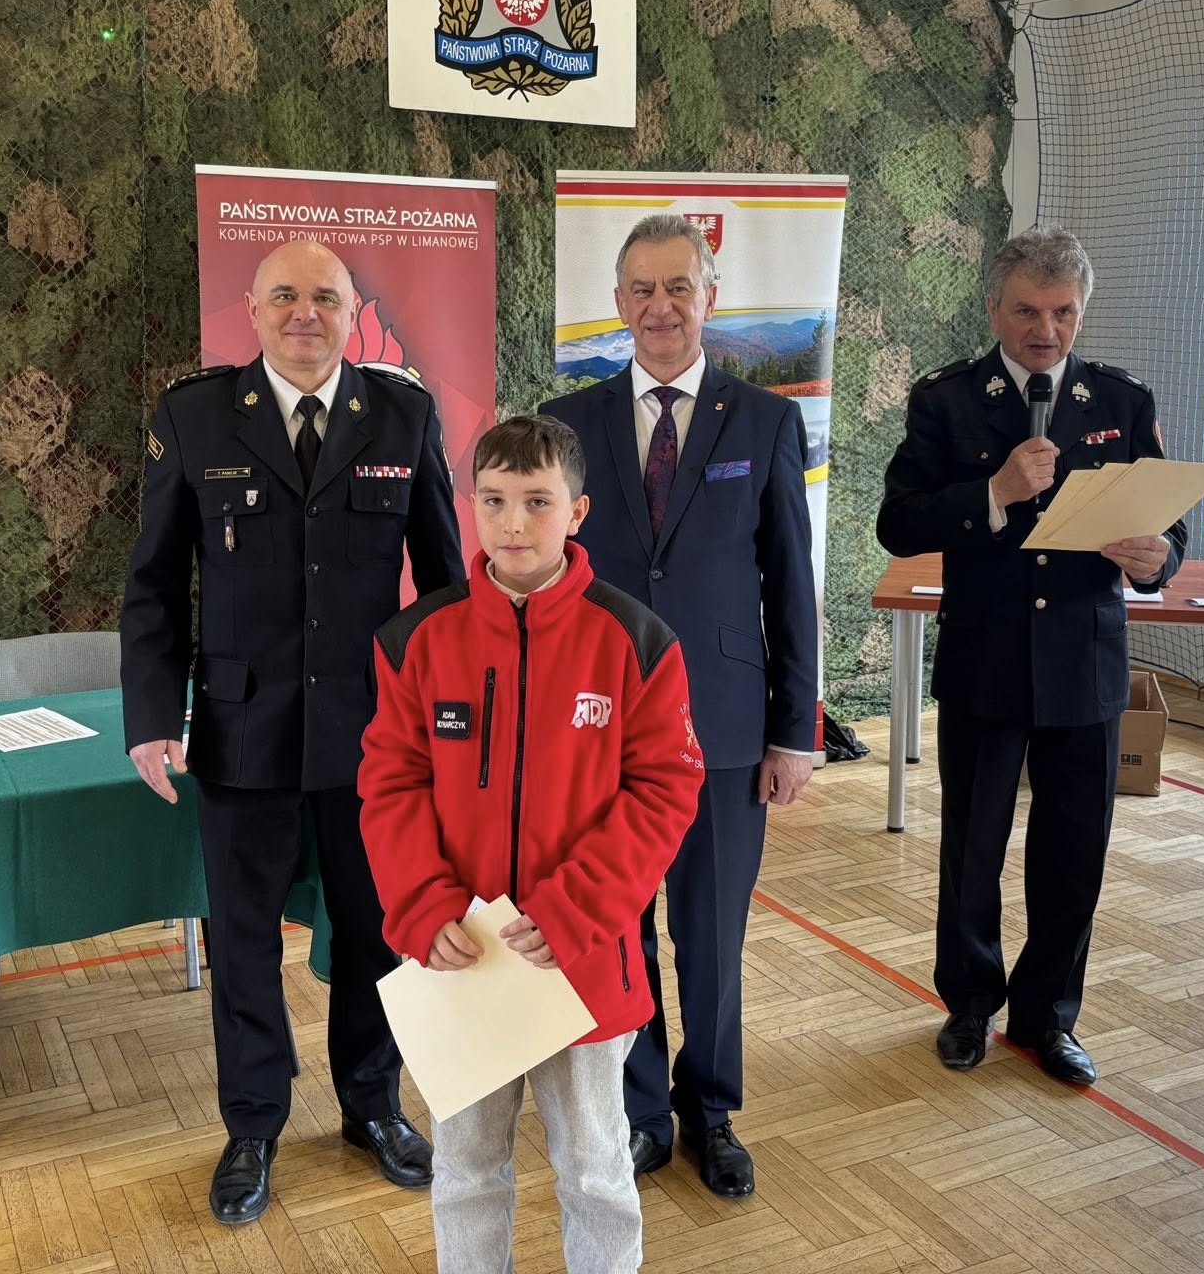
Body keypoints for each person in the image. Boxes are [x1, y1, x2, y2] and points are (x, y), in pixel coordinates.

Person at [120, 238, 463, 1224]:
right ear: (252, 309)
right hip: (242, 731)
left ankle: (371, 1104)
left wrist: (449, 729)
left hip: (374, 739)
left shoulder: (402, 413)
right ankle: (253, 1124)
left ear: (352, 312)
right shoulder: (194, 417)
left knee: (376, 932)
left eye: (324, 297)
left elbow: (445, 587)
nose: (304, 313)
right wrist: (154, 716)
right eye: (284, 296)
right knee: (242, 942)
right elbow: (153, 584)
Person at [358, 416, 704, 1273]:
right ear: (470, 507)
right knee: (468, 1172)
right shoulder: (415, 640)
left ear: (577, 511)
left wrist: (577, 908)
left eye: (538, 502)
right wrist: (424, 905)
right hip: (463, 963)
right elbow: (390, 785)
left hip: (581, 961)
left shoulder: (636, 641)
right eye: (495, 501)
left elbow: (665, 789)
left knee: (595, 1171)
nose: (514, 524)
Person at [540, 214, 820, 1197]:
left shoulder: (764, 421)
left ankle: (711, 1113)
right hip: (597, 729)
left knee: (710, 936)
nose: (660, 307)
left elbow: (790, 584)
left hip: (725, 728)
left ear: (709, 299)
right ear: (618, 303)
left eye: (678, 288)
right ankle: (640, 1109)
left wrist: (794, 731)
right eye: (642, 290)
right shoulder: (566, 424)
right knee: (617, 924)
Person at [876, 224, 1187, 1086]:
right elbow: (898, 522)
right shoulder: (947, 400)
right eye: (1026, 311)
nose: (1045, 330)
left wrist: (1159, 559)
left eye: (1062, 313)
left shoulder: (1121, 401)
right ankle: (970, 1005)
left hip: (1084, 666)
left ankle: (1048, 1017)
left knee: (1074, 852)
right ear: (993, 308)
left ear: (1080, 311)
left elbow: (1171, 526)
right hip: (986, 660)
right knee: (973, 849)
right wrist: (993, 492)